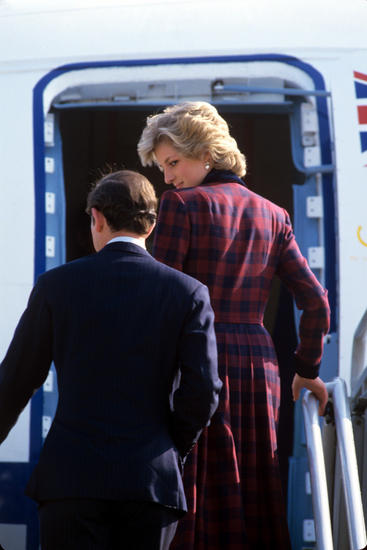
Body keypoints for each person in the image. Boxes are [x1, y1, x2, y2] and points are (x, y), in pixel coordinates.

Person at [137, 102, 330, 550]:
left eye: (172, 163)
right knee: (256, 482)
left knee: (196, 486)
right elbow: (316, 300)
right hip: (260, 364)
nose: (166, 178)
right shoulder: (274, 214)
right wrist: (307, 367)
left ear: (205, 152)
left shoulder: (181, 206)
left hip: (195, 359)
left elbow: (157, 299)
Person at [0, 170, 222, 550]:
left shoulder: (56, 286)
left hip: (70, 480)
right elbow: (203, 392)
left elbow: (17, 379)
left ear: (97, 217)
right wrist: (169, 447)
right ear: (150, 226)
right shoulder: (189, 293)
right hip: (150, 483)